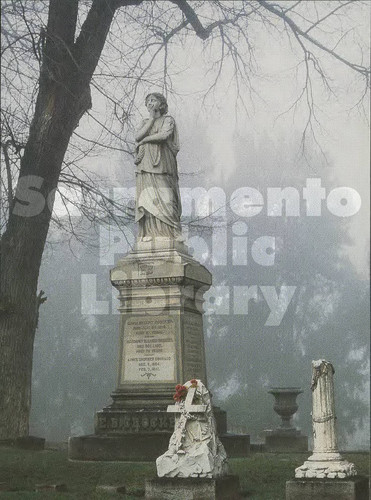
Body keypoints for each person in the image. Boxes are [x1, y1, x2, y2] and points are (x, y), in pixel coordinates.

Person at [135, 93, 182, 242]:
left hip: (163, 163)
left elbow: (164, 136)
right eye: (148, 101)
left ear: (161, 104)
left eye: (153, 100)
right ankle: (150, 232)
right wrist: (151, 119)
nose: (150, 103)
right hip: (146, 164)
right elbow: (137, 137)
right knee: (148, 196)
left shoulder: (168, 120)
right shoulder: (145, 121)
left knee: (166, 196)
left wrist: (146, 140)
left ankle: (172, 231)